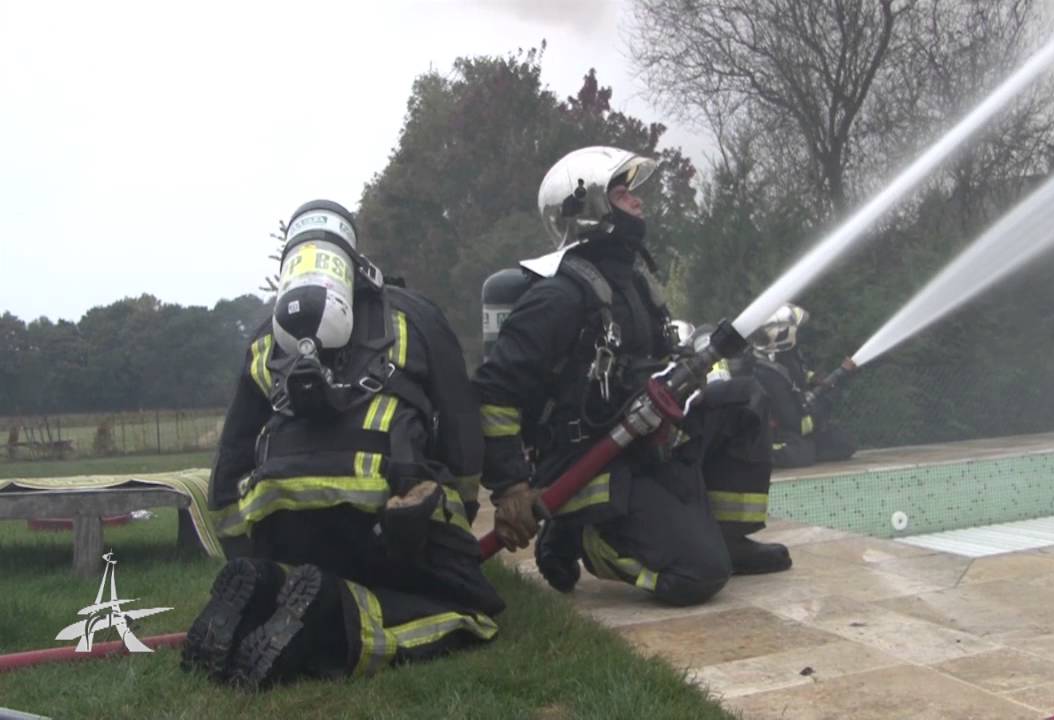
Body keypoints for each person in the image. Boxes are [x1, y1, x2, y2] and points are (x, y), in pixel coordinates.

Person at [185, 200, 502, 689]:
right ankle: (335, 612)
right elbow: (461, 426)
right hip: (383, 516)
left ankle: (268, 586)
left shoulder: (265, 335)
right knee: (471, 609)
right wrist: (455, 514)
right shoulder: (414, 314)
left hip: (280, 521)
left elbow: (230, 460)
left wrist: (246, 550)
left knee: (295, 578)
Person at [472, 146, 791, 608]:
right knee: (697, 574)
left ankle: (730, 538)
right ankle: (581, 538)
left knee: (743, 401)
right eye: (622, 194)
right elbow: (494, 391)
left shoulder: (633, 283)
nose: (637, 202)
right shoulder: (558, 297)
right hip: (592, 465)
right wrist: (510, 486)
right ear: (588, 210)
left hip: (643, 443)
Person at [733, 304, 857, 468]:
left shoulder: (782, 356)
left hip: (793, 425)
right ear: (784, 334)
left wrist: (815, 379)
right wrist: (825, 401)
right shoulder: (767, 375)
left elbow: (797, 376)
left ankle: (807, 448)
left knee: (842, 442)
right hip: (776, 432)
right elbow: (798, 424)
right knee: (802, 454)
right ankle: (757, 453)